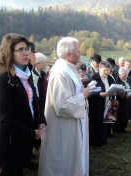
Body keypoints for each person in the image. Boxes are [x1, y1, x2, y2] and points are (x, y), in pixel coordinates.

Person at [0, 33, 46, 176]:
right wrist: (31, 133)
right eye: (20, 50)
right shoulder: (2, 80)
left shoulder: (26, 74)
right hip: (11, 143)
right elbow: (6, 119)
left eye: (27, 49)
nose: (26, 53)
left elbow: (34, 101)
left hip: (24, 139)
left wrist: (41, 121)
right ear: (9, 53)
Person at [38, 37, 90, 176]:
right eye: (78, 51)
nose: (80, 54)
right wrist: (83, 95)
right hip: (63, 127)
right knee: (63, 163)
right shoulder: (60, 73)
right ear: (68, 53)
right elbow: (62, 105)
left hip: (73, 123)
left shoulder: (69, 69)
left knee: (73, 159)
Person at [88, 60, 115, 146]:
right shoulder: (94, 79)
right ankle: (95, 142)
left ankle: (103, 140)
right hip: (96, 105)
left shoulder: (110, 78)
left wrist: (114, 92)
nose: (107, 72)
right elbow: (88, 92)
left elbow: (113, 87)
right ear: (99, 69)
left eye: (108, 70)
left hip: (107, 103)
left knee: (105, 122)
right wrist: (99, 94)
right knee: (96, 123)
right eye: (105, 70)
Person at [113, 67, 131, 134]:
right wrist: (122, 94)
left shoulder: (129, 79)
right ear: (119, 75)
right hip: (121, 101)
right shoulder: (117, 80)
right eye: (124, 75)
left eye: (126, 75)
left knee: (127, 115)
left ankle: (123, 128)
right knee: (120, 116)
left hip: (129, 100)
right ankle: (117, 130)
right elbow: (115, 90)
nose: (125, 77)